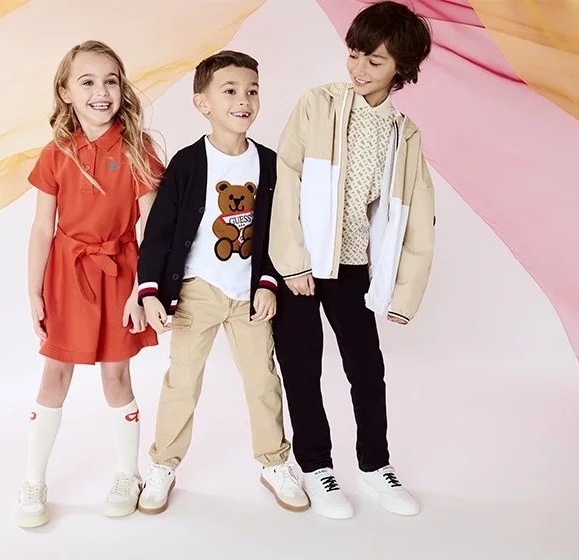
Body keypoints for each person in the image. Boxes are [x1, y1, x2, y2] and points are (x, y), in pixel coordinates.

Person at [269, 1, 435, 519]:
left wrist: (402, 294)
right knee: (302, 366)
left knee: (366, 368)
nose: (359, 68)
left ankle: (374, 466)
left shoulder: (403, 133)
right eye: (355, 54)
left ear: (402, 68)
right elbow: (286, 181)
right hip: (301, 264)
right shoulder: (318, 104)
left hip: (353, 267)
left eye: (375, 60)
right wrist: (292, 262)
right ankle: (316, 466)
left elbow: (417, 216)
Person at [135, 50, 308, 515]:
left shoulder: (270, 164)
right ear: (202, 103)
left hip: (249, 296)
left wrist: (268, 282)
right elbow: (159, 232)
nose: (243, 100)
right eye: (229, 91)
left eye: (252, 91)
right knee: (182, 381)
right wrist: (150, 290)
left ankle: (274, 463)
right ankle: (163, 464)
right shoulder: (188, 164)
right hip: (198, 291)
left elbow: (280, 231)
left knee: (262, 380)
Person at [18, 40, 164, 528]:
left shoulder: (138, 149)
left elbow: (151, 229)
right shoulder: (56, 153)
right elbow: (42, 228)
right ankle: (33, 480)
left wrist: (142, 290)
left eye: (110, 81)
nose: (101, 92)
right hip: (66, 274)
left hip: (122, 273)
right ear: (65, 92)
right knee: (54, 374)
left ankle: (128, 474)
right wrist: (34, 291)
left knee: (116, 376)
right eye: (87, 82)